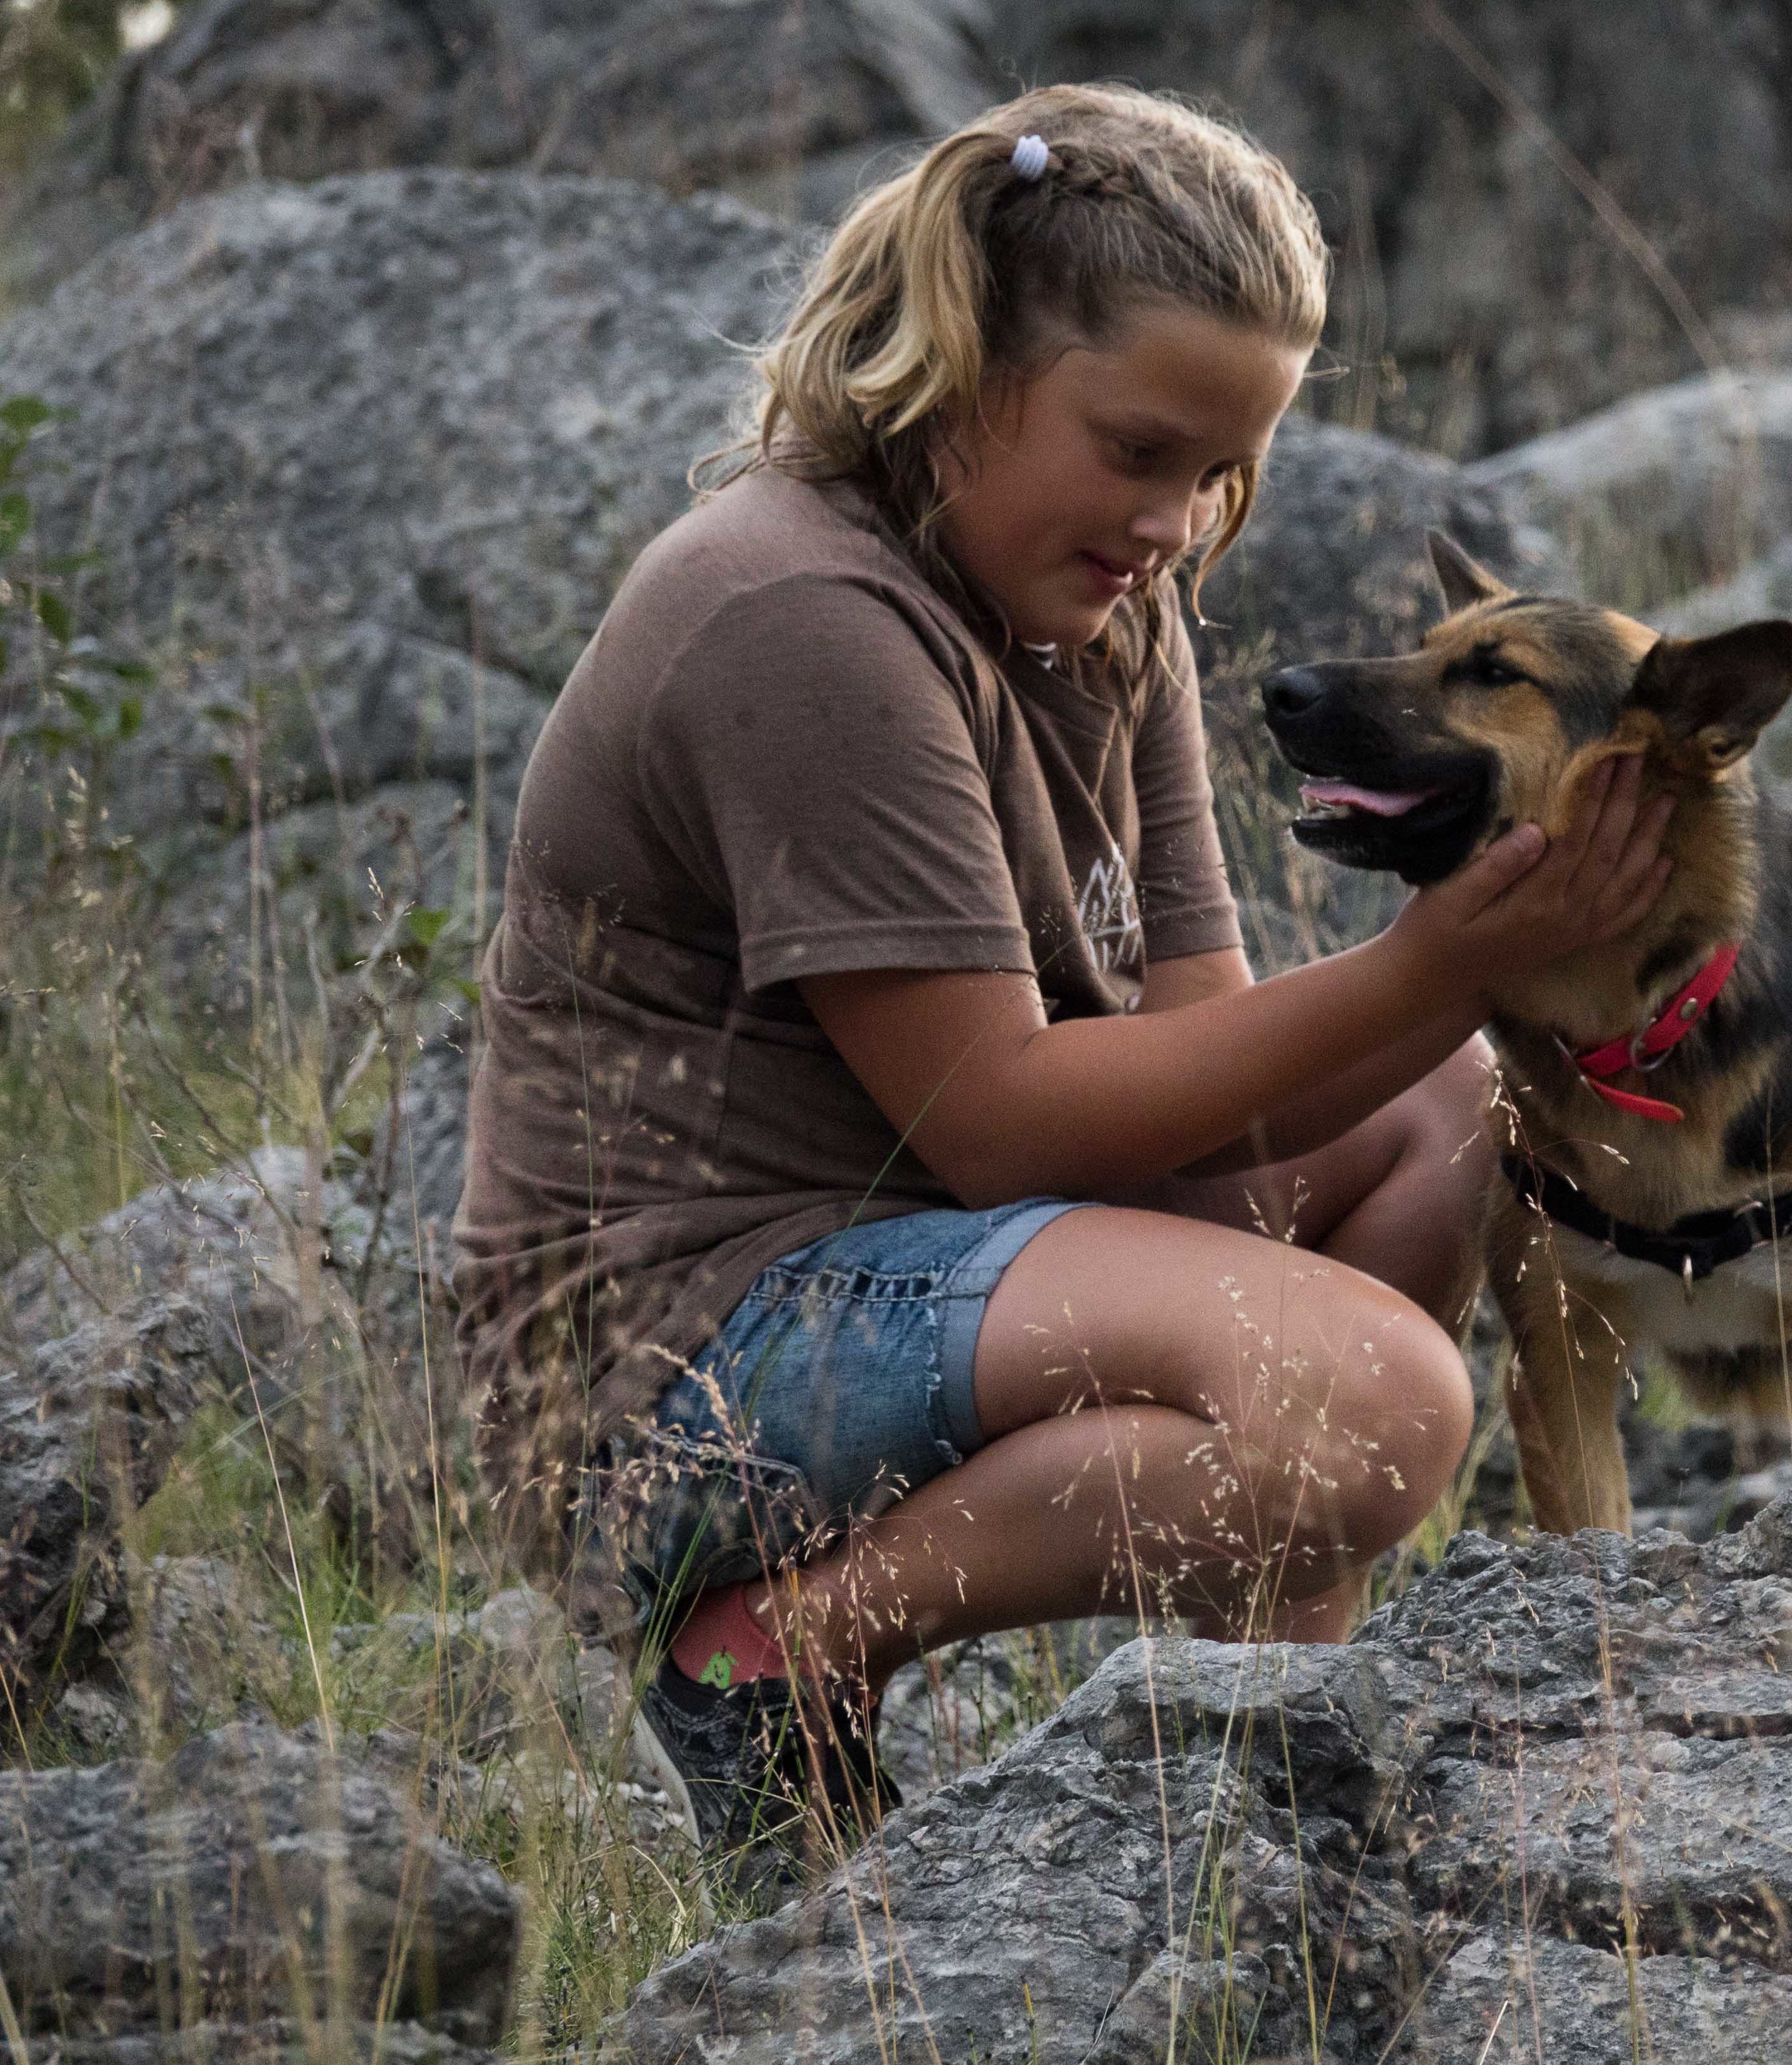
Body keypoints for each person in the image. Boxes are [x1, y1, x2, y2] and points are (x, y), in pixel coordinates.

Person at [450, 85, 1670, 1875]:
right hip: (668, 1359)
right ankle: (773, 1653)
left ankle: (1243, 1771)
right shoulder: (802, 617)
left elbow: (1201, 1059)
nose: (1177, 518)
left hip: (908, 1269)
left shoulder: (1098, 605)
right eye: (1138, 448)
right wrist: (1441, 958)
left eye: (1220, 472)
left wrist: (1475, 985)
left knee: (1443, 1114)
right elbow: (998, 1124)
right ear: (963, 366)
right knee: (1380, 1403)